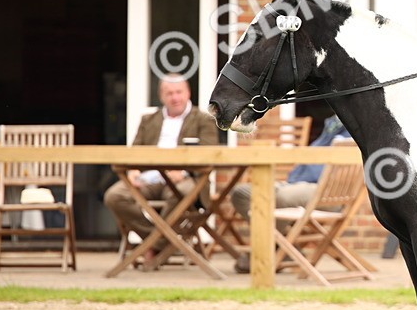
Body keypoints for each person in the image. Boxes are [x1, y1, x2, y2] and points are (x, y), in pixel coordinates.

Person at [103, 74, 219, 255]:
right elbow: (135, 152)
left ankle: (154, 246)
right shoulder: (148, 120)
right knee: (114, 196)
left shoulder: (203, 119)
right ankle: (161, 242)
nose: (175, 97)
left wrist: (183, 172)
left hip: (184, 180)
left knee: (184, 192)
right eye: (169, 93)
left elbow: (209, 153)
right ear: (161, 96)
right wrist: (133, 170)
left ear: (188, 93)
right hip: (148, 179)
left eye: (179, 92)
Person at [228, 115, 350, 273]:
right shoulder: (333, 124)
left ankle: (268, 250)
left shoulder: (356, 128)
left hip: (324, 191)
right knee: (241, 193)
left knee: (279, 198)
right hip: (294, 184)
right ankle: (282, 246)